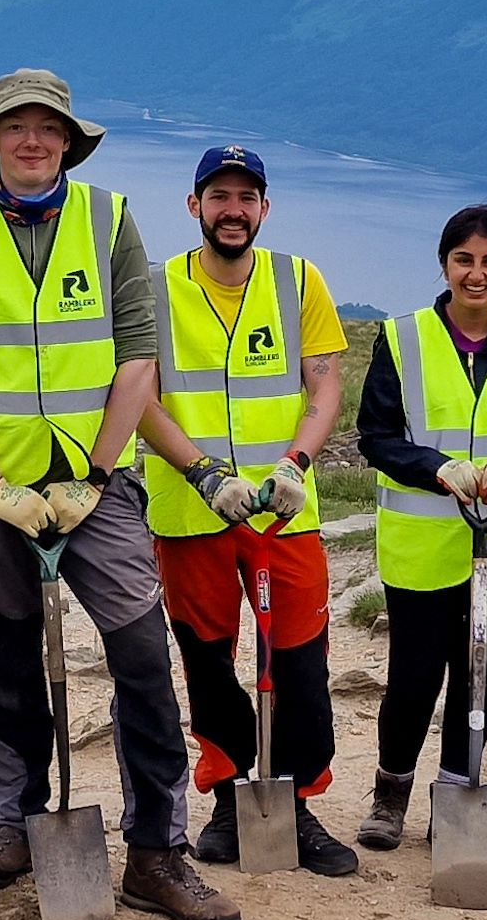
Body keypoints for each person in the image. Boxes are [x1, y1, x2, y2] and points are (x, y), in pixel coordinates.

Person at [0, 69, 240, 920]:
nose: (30, 140)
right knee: (7, 656)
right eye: (13, 126)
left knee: (140, 653)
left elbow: (137, 356)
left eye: (45, 127)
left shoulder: (109, 220)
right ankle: (17, 818)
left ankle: (157, 852)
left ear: (67, 141)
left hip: (100, 482)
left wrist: (95, 472)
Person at [134, 144, 359, 876]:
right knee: (206, 661)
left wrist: (295, 462)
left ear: (264, 207)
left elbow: (323, 387)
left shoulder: (298, 280)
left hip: (282, 509)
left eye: (246, 197)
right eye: (218, 196)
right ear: (193, 205)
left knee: (297, 661)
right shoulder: (154, 286)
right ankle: (230, 796)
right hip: (189, 507)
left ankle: (295, 800)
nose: (232, 210)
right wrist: (201, 472)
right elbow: (137, 395)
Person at [353, 204, 487, 848]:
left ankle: (456, 789)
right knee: (415, 675)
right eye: (464, 260)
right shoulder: (403, 338)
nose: (477, 275)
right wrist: (437, 467)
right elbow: (377, 437)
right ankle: (391, 794)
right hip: (423, 543)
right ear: (445, 264)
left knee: (478, 671)